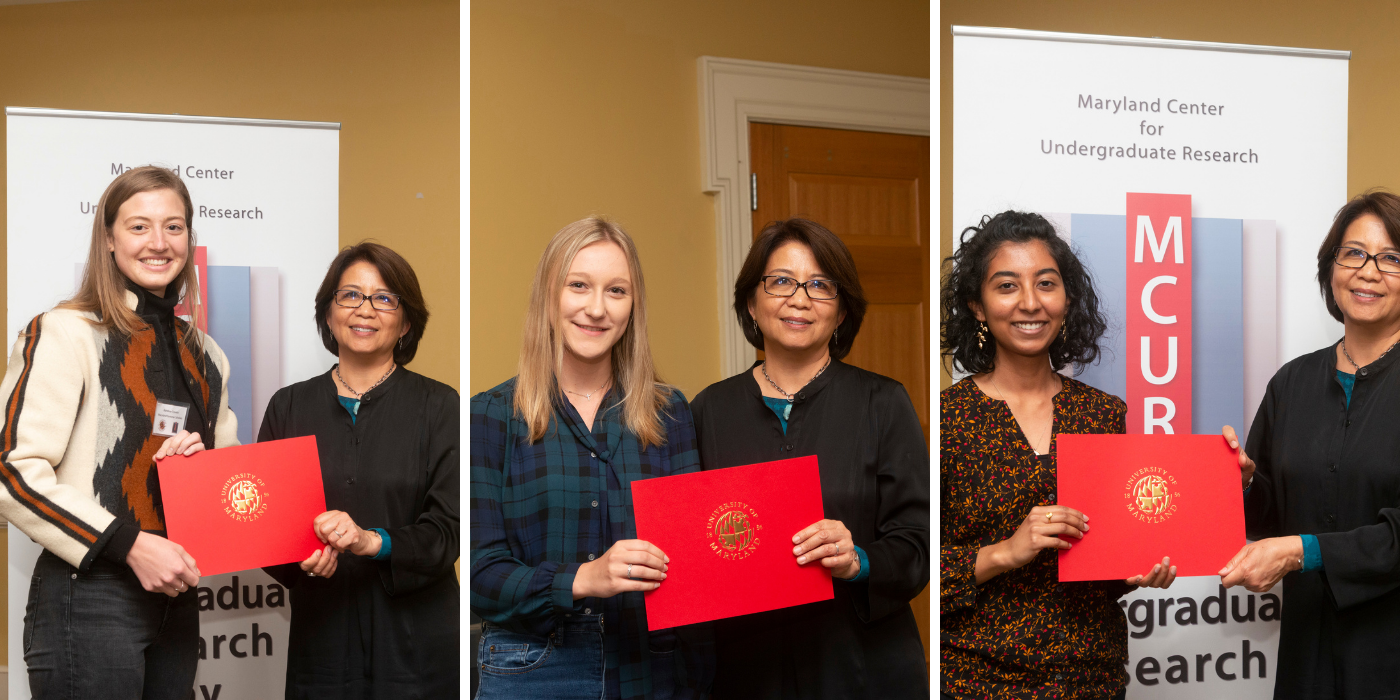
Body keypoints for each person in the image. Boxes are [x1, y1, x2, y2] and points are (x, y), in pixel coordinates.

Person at [0, 165, 238, 699]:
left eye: (174, 227)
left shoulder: (207, 354)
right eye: (139, 227)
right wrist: (130, 546)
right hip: (89, 594)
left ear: (189, 238)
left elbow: (229, 480)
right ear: (108, 240)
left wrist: (202, 471)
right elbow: (11, 472)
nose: (159, 243)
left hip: (178, 599)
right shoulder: (64, 332)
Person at [470, 217, 713, 700]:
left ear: (633, 307)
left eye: (616, 291)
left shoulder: (672, 412)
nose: (596, 309)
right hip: (533, 667)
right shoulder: (491, 415)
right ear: (548, 296)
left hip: (651, 665)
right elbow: (480, 577)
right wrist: (583, 578)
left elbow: (695, 560)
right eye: (578, 285)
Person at [940, 211, 1177, 700]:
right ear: (978, 307)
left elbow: (1108, 563)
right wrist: (1005, 552)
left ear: (1067, 299)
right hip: (977, 680)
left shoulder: (1103, 414)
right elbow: (916, 566)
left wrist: (1140, 568)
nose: (1030, 302)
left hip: (1092, 676)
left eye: (1046, 284)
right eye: (1007, 286)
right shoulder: (946, 419)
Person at [689, 218, 928, 699]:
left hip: (864, 667)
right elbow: (694, 544)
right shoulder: (706, 411)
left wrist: (857, 559)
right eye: (780, 281)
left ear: (841, 312)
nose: (799, 299)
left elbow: (918, 546)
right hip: (746, 671)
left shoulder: (882, 402)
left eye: (820, 285)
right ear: (752, 304)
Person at [255, 242, 459, 698]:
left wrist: (372, 541)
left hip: (418, 647)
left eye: (384, 298)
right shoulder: (288, 406)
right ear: (328, 314)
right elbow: (264, 529)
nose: (365, 309)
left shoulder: (441, 406)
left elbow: (449, 531)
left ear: (406, 322)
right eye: (350, 295)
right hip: (321, 640)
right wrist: (300, 562)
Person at [1218, 190, 1400, 698]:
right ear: (1331, 267)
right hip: (1307, 661)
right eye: (1354, 253)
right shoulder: (1290, 383)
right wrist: (1244, 485)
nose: (1369, 271)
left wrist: (1306, 553)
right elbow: (1268, 523)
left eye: (1392, 258)